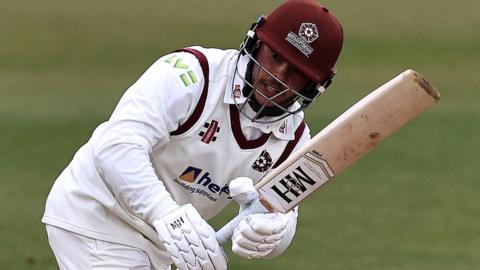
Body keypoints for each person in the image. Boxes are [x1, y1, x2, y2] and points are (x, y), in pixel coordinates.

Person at [42, 0, 344, 269]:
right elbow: (116, 144)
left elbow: (282, 211)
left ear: (313, 85)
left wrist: (272, 234)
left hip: (162, 244)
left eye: (296, 72)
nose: (277, 77)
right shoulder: (192, 73)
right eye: (275, 56)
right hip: (96, 215)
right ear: (255, 42)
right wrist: (165, 212)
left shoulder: (294, 141)